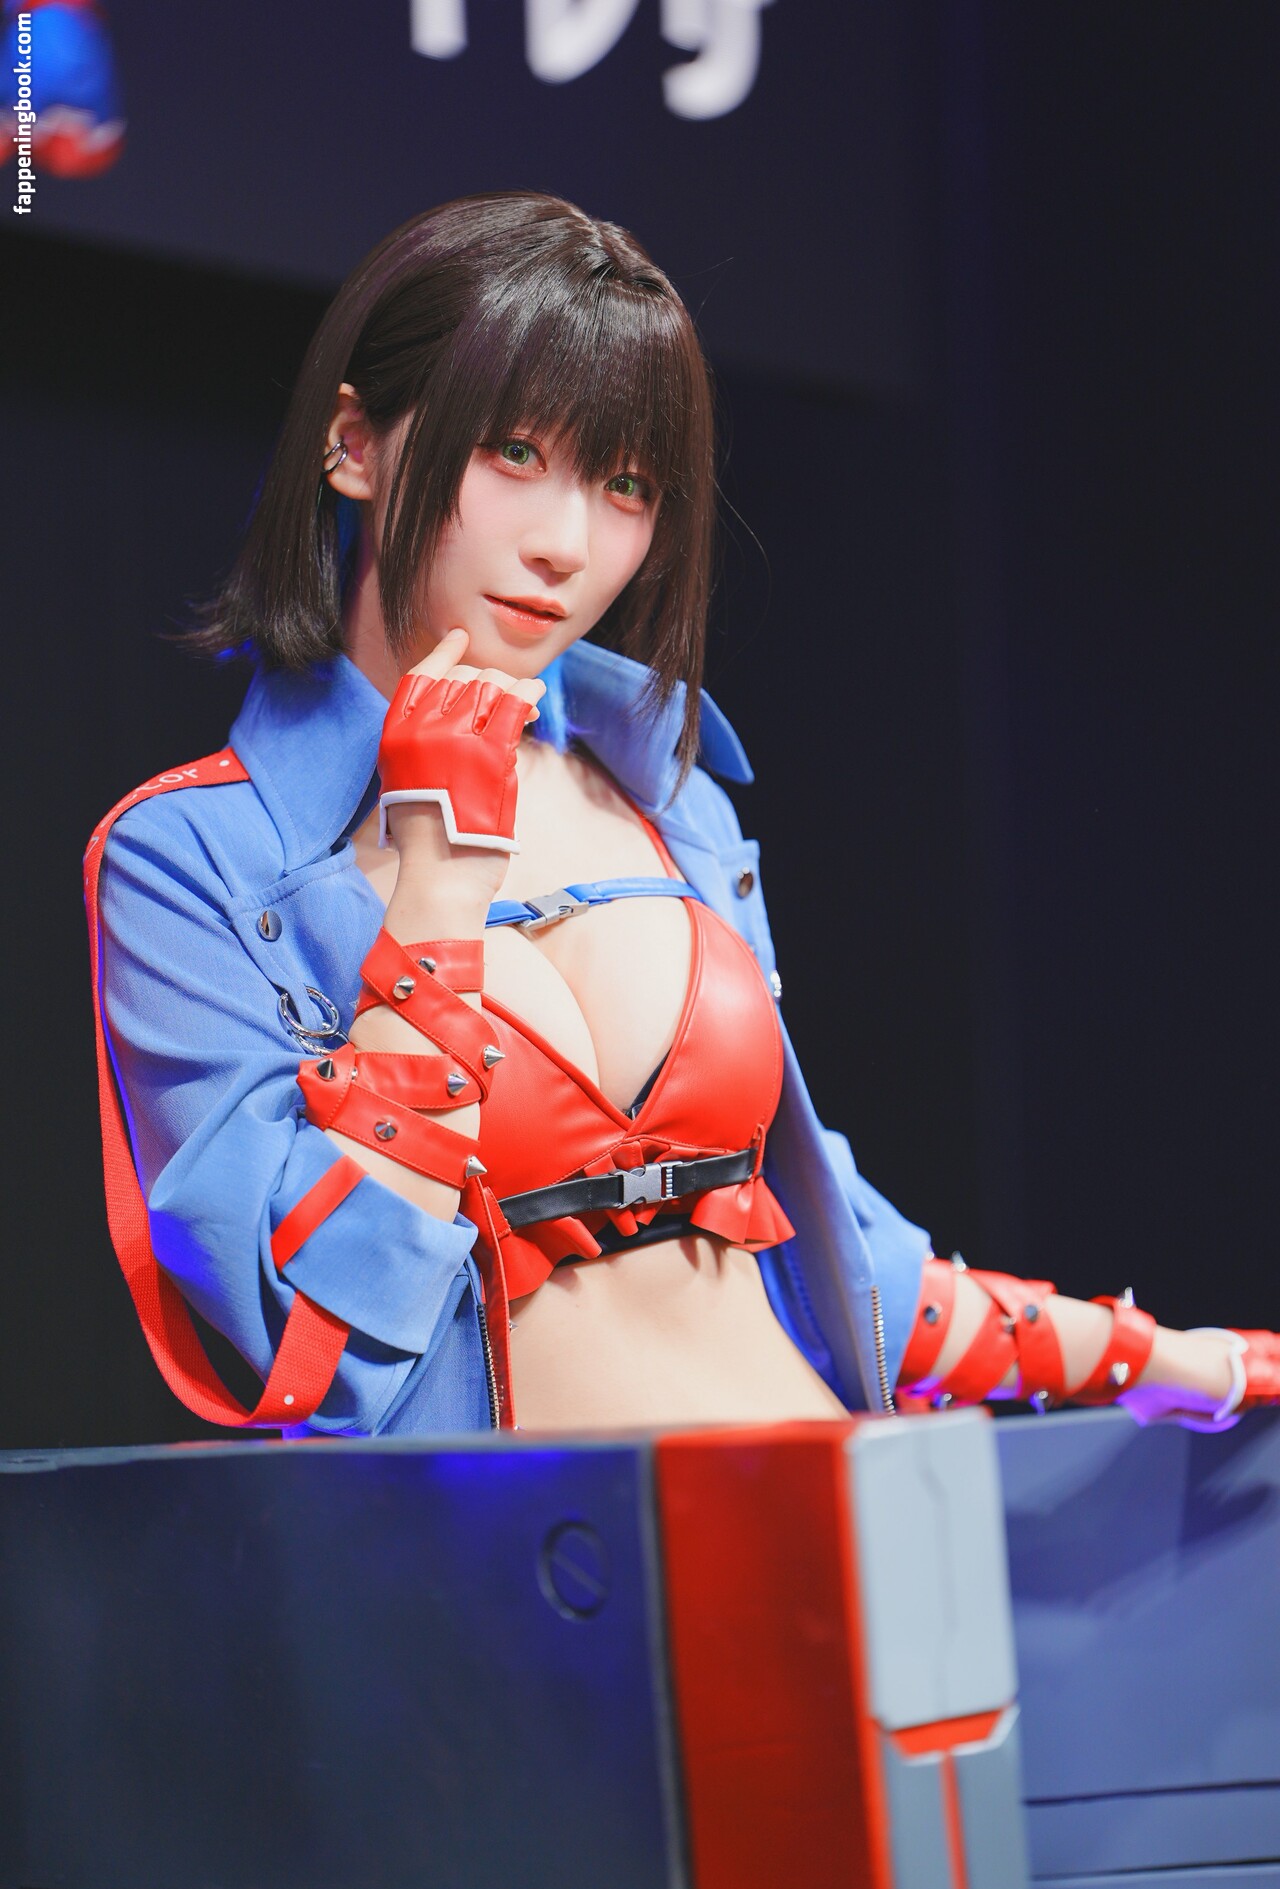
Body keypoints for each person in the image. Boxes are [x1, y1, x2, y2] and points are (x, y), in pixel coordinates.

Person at [88, 190, 1278, 1437]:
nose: (565, 543)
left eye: (624, 484)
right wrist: (434, 894)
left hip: (843, 1497)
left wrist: (1162, 1359)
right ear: (354, 445)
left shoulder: (672, 801)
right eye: (511, 454)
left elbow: (841, 1263)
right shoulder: (192, 861)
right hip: (525, 1549)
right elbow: (308, 1353)